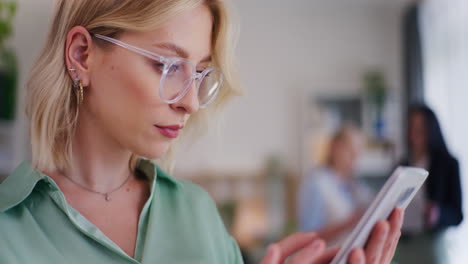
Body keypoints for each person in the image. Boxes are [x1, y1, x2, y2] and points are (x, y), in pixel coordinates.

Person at [0, 1, 403, 263]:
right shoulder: (8, 231)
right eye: (167, 65)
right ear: (82, 55)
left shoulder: (200, 214)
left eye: (200, 73)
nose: (190, 102)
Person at [298, 125, 373, 245]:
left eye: (359, 152)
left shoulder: (355, 185)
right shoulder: (316, 183)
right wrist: (348, 223)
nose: (355, 157)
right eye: (351, 150)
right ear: (335, 147)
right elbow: (308, 237)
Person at [402, 104, 463, 231]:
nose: (414, 134)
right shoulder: (402, 165)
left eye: (420, 129)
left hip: (434, 240)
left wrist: (438, 213)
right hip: (404, 239)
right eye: (412, 127)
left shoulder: (449, 164)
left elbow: (457, 215)